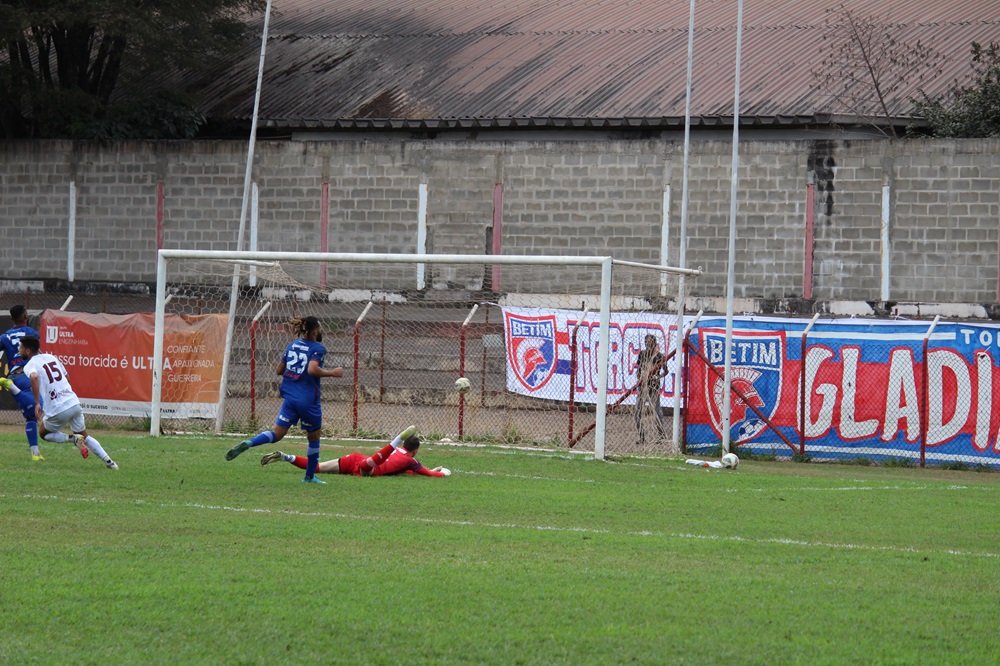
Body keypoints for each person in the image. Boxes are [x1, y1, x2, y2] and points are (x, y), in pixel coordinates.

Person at [225, 315, 343, 484]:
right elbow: (312, 369)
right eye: (320, 327)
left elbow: (279, 370)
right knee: (314, 437)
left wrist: (294, 370)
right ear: (315, 330)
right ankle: (309, 477)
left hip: (290, 397)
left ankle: (250, 443)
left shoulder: (292, 345)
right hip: (308, 400)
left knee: (277, 433)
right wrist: (333, 373)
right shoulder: (318, 348)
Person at [18, 335, 118, 470]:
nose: (19, 350)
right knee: (85, 435)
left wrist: (37, 402)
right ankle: (110, 462)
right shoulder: (51, 357)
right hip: (73, 402)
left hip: (58, 408)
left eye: (21, 347)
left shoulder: (30, 365)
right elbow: (67, 377)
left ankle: (72, 439)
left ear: (28, 350)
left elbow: (34, 376)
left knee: (43, 432)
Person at [260, 425, 451, 478]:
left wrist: (425, 471)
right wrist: (443, 473)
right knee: (369, 467)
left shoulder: (404, 459)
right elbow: (429, 474)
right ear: (415, 451)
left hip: (355, 458)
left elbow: (400, 469)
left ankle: (287, 457)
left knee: (317, 467)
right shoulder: (411, 460)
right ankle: (395, 439)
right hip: (366, 467)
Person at [0, 305, 45, 459]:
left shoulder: (4, 337)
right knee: (41, 406)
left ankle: (35, 453)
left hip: (14, 375)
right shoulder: (32, 333)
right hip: (27, 376)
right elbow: (36, 353)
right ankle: (12, 388)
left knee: (31, 416)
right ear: (26, 316)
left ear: (11, 318)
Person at [634, 334, 668, 445]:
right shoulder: (642, 354)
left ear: (654, 343)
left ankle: (661, 436)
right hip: (643, 387)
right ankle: (641, 436)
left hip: (654, 387)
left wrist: (658, 376)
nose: (648, 344)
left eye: (650, 342)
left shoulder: (659, 356)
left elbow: (665, 371)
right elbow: (638, 369)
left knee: (657, 412)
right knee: (637, 412)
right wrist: (639, 377)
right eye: (646, 342)